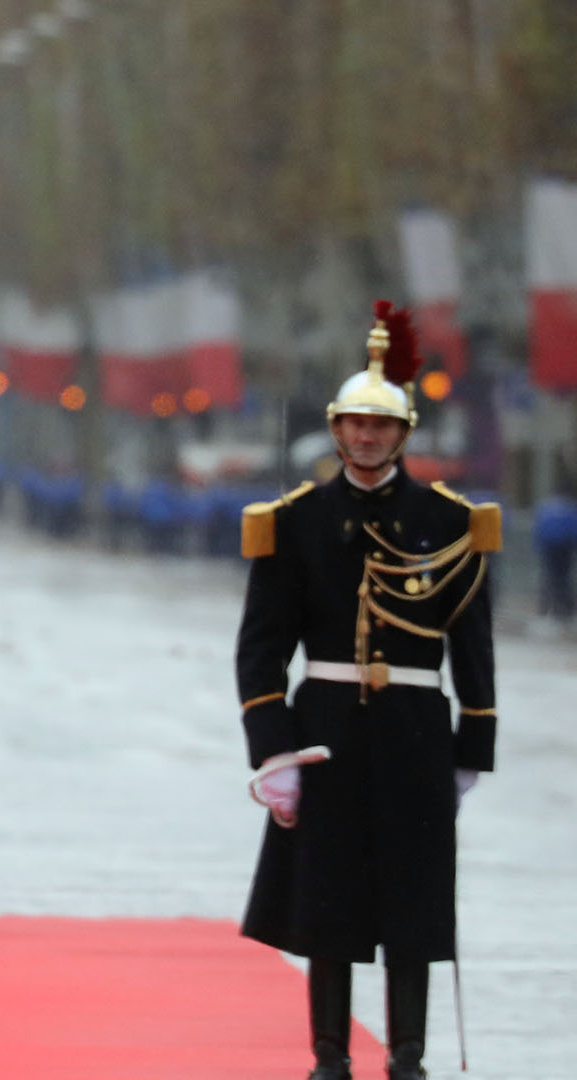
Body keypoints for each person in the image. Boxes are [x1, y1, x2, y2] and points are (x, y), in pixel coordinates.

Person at [237, 302, 498, 1080]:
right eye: (353, 424)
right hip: (326, 730)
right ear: (337, 427)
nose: (365, 438)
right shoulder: (295, 522)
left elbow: (472, 645)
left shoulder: (449, 523)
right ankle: (329, 1054)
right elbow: (260, 650)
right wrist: (272, 749)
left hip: (415, 725)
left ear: (403, 433)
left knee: (413, 901)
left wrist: (472, 745)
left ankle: (408, 1054)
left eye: (379, 427)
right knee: (329, 901)